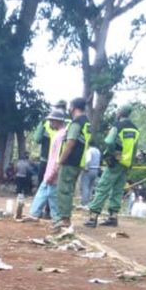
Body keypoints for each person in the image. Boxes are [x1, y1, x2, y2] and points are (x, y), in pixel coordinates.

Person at [84, 104, 140, 228]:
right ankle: (113, 217)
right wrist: (130, 162)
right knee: (118, 189)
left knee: (103, 187)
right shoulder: (135, 129)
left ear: (120, 112)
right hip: (126, 163)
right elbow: (134, 148)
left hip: (116, 162)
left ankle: (93, 217)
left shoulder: (118, 126)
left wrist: (111, 153)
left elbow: (109, 141)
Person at [56, 97, 92, 231]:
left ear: (73, 107)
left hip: (70, 161)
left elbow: (70, 143)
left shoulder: (76, 123)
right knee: (69, 189)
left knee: (64, 189)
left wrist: (60, 161)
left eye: (70, 107)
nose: (69, 109)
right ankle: (65, 218)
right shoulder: (87, 122)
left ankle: (64, 220)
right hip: (79, 161)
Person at [29, 109, 67, 222]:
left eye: (51, 121)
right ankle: (34, 213)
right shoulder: (59, 135)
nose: (50, 123)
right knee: (44, 192)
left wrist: (53, 172)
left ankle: (56, 218)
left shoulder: (61, 136)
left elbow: (58, 157)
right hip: (50, 170)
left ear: (57, 121)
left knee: (52, 195)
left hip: (53, 170)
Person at [32, 100, 67, 183]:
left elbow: (37, 139)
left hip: (46, 158)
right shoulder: (69, 122)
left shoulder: (46, 122)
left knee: (43, 183)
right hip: (62, 160)